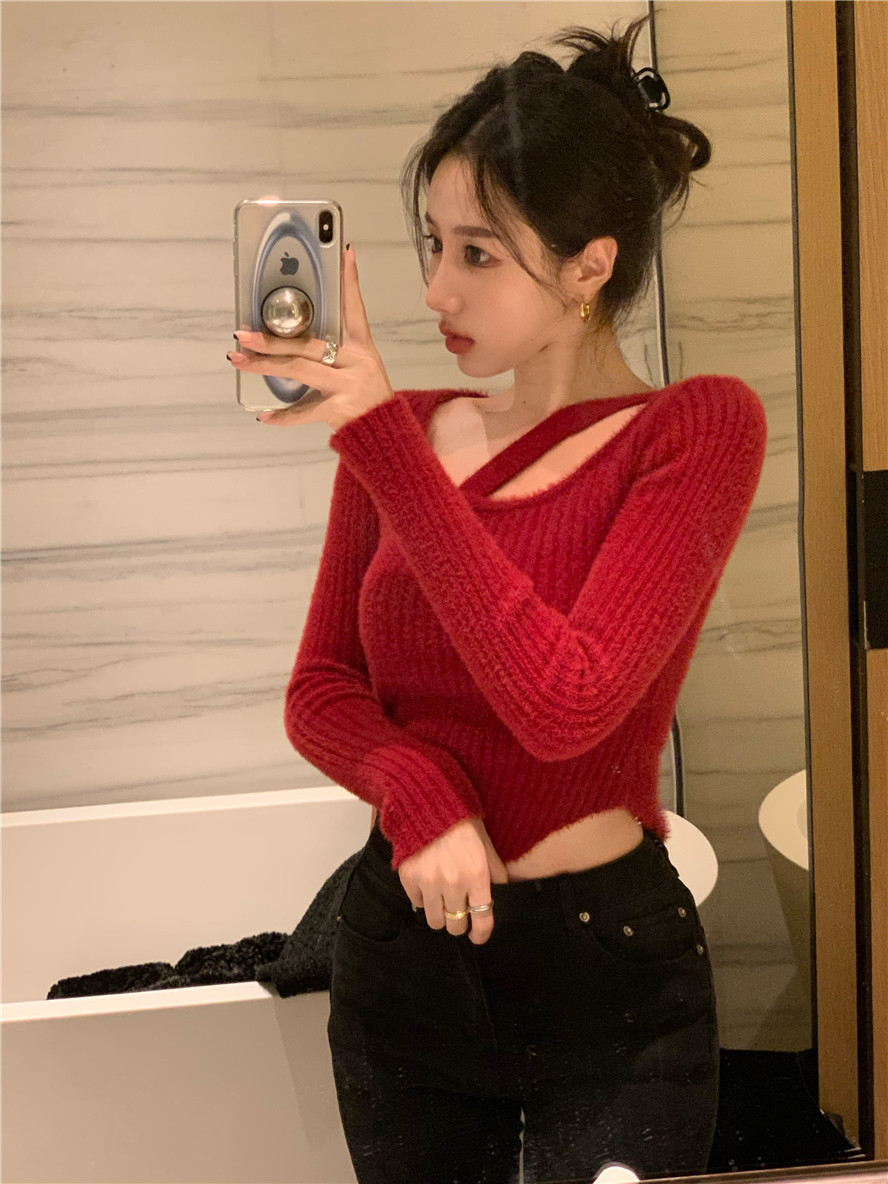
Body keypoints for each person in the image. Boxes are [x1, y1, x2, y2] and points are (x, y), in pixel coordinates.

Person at [226, 14, 767, 1183]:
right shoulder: (410, 432)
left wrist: (382, 443)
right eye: (433, 243)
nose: (435, 287)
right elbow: (322, 687)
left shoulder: (693, 429)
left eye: (478, 253)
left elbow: (567, 705)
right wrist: (417, 792)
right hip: (403, 960)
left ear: (588, 266)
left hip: (609, 978)